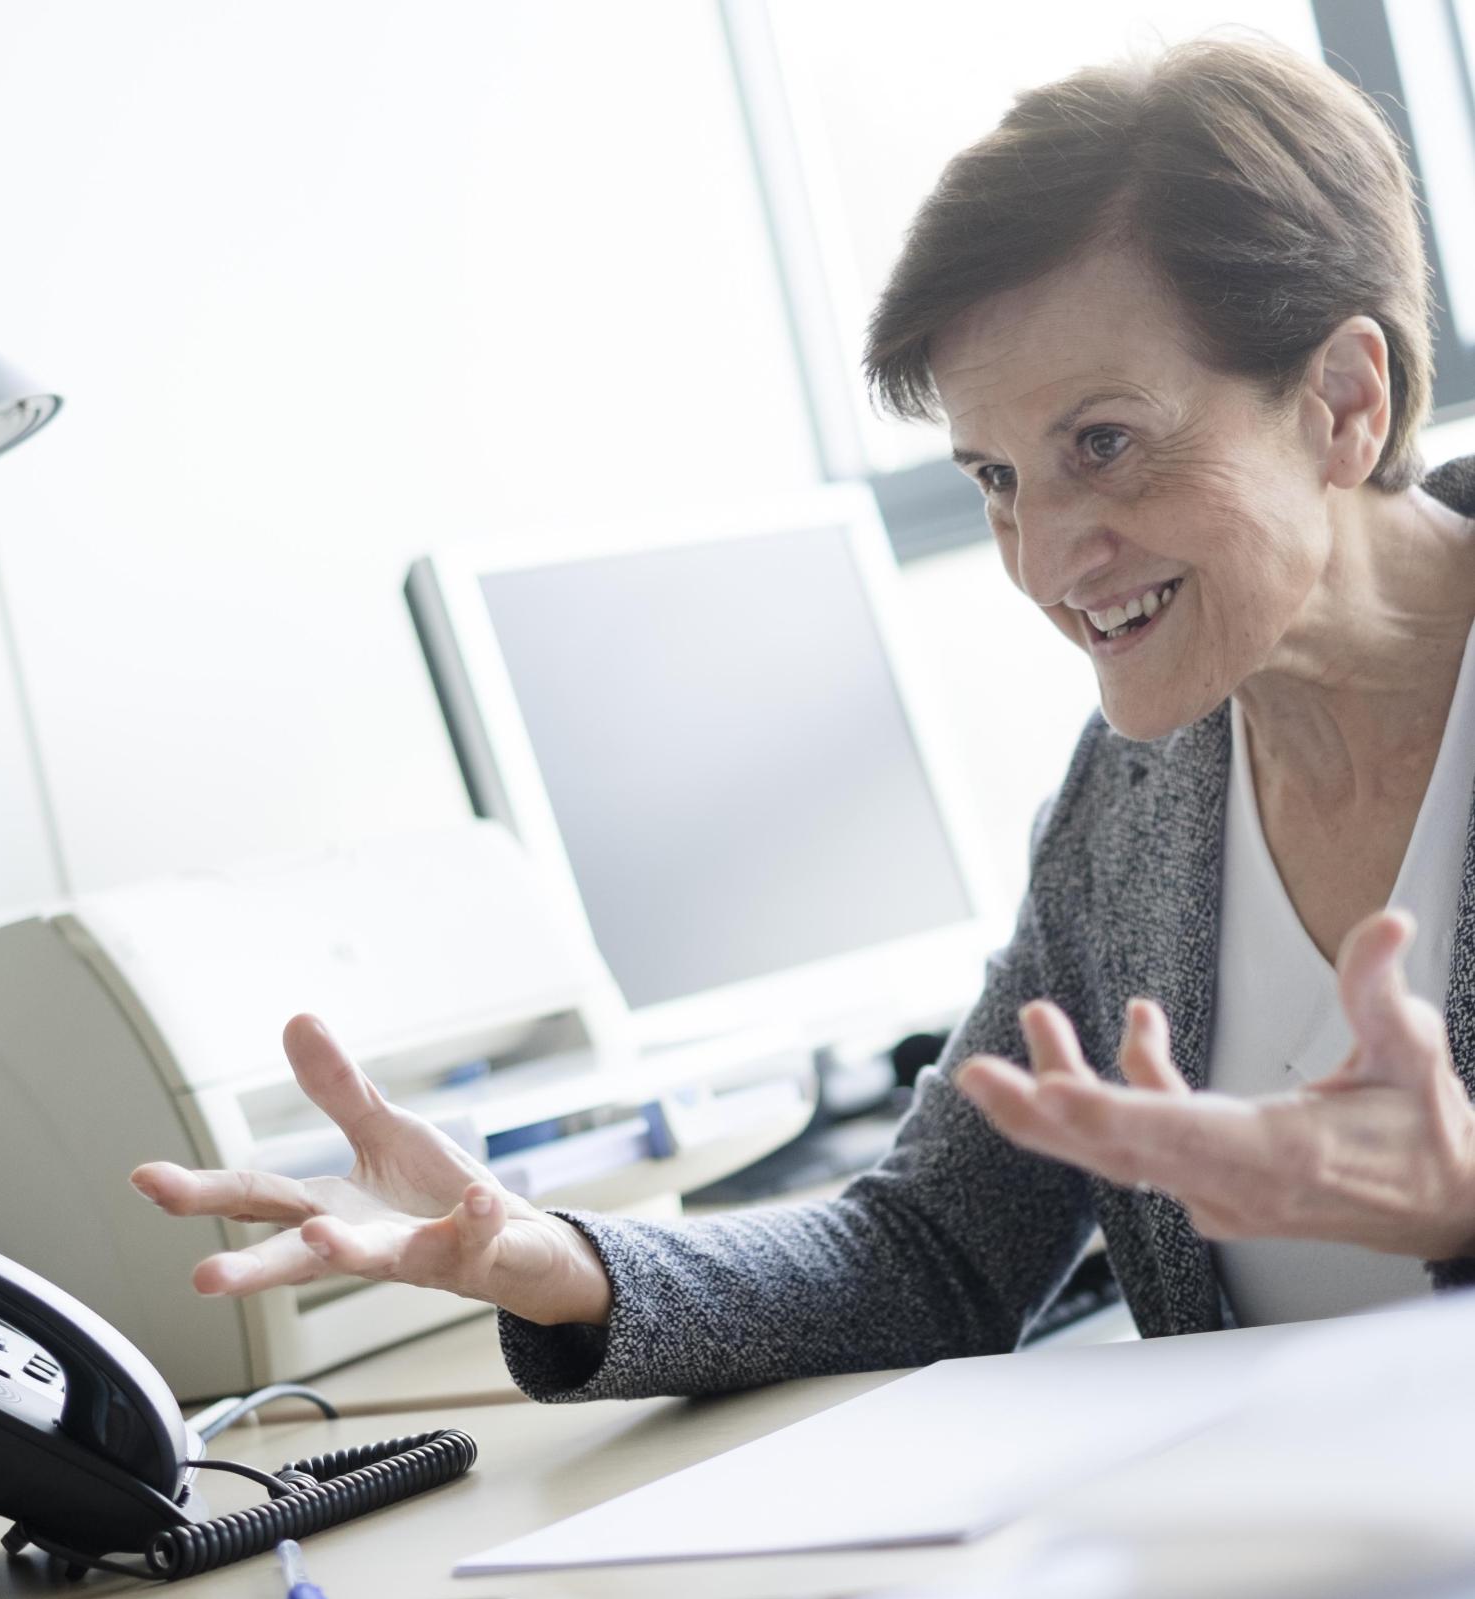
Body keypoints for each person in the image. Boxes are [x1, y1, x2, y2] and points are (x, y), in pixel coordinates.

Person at [132, 34, 1475, 1400]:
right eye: (996, 478)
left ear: (1341, 402)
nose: (1043, 560)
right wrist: (559, 1261)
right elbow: (937, 1247)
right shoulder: (1129, 810)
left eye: (1104, 443)